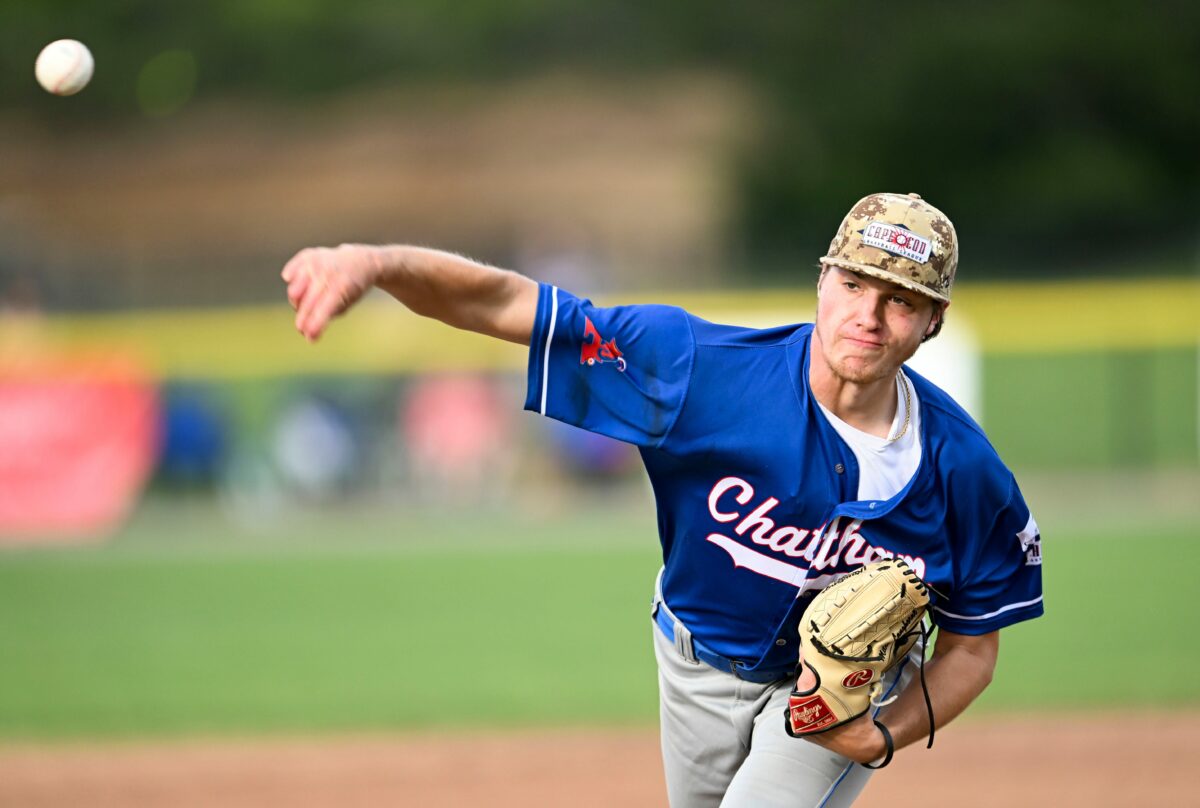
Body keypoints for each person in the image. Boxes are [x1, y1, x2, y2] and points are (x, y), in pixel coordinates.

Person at [281, 192, 1044, 807]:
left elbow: (974, 644)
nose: (868, 318)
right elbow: (509, 305)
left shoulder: (962, 471)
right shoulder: (698, 372)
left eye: (900, 302)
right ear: (821, 281)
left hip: (831, 700)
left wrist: (887, 733)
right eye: (853, 285)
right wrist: (376, 262)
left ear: (934, 321)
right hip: (694, 665)